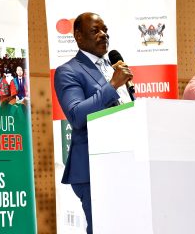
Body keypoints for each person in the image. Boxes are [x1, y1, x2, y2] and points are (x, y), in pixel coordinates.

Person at [54, 12, 133, 234]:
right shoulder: (68, 71)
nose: (103, 35)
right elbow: (77, 115)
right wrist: (112, 85)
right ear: (78, 36)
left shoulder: (113, 67)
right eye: (95, 30)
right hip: (94, 168)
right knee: (104, 228)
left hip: (127, 161)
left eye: (105, 30)